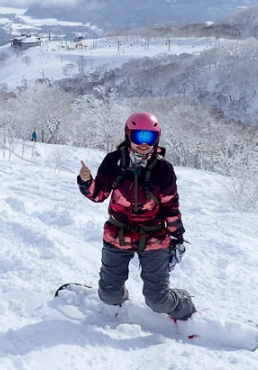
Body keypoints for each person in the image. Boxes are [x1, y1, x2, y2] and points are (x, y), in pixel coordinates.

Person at [77, 111, 195, 321]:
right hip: (118, 235)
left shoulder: (163, 168)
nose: (144, 143)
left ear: (156, 138)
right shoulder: (114, 161)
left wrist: (177, 237)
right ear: (128, 135)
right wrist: (86, 181)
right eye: (138, 136)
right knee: (108, 295)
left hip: (154, 238)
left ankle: (185, 308)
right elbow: (98, 195)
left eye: (149, 137)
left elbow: (171, 206)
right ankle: (118, 300)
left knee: (157, 300)